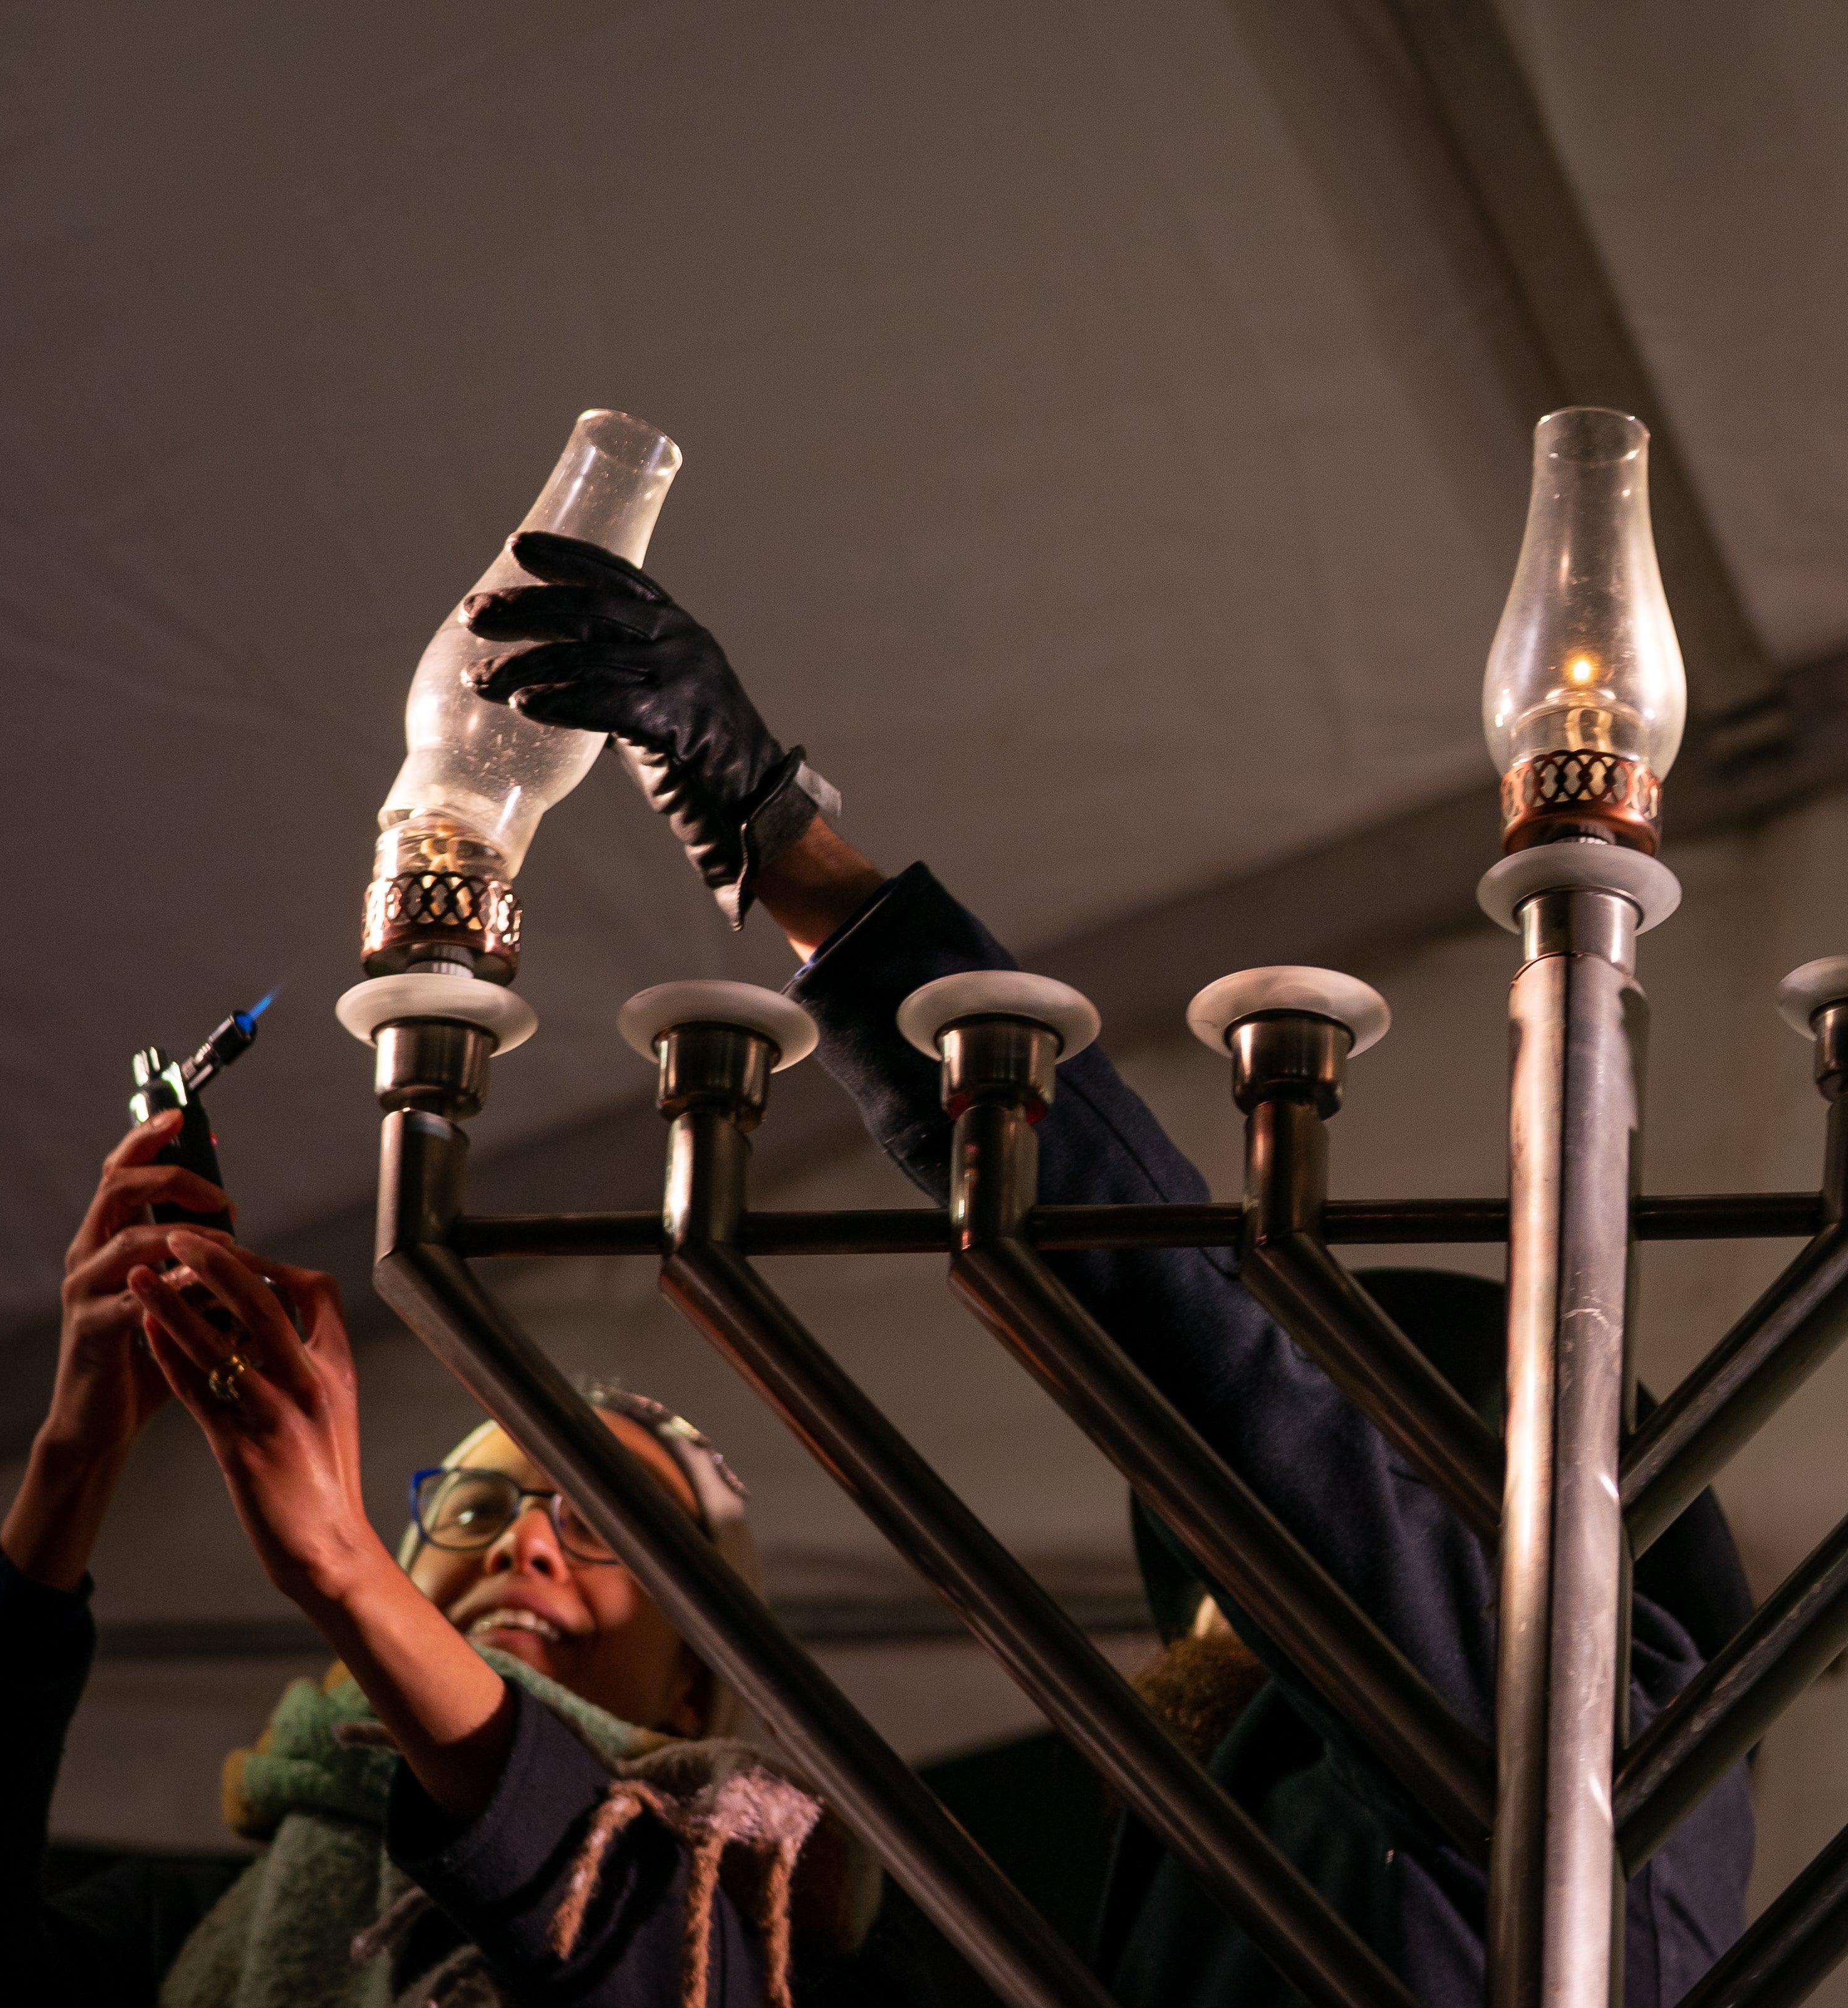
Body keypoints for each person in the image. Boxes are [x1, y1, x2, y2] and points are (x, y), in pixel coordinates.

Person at [460, 533, 1759, 2005]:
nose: (1224, 1558)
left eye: (1343, 1475)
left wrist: (789, 845)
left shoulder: (1582, 1728)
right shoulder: (1234, 1815)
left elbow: (1194, 1352)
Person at [0, 1114, 917, 2007]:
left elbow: (648, 1965)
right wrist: (73, 1456)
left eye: (606, 1523)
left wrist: (344, 1563)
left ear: (696, 1688)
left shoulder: (769, 1926)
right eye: (474, 1507)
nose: (520, 1539)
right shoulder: (179, 1929)